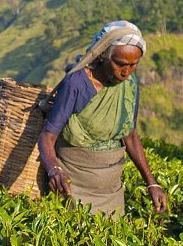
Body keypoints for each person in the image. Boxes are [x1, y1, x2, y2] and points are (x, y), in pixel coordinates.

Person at [38, 20, 168, 217]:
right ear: (102, 55)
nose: (126, 72)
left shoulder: (129, 84)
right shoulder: (77, 83)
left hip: (111, 190)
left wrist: (152, 183)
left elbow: (130, 135)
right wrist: (54, 170)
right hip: (74, 185)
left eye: (134, 65)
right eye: (120, 64)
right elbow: (47, 138)